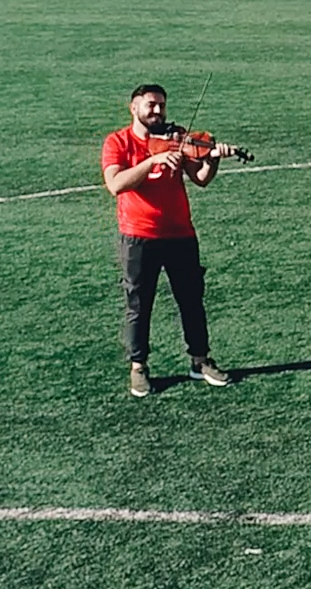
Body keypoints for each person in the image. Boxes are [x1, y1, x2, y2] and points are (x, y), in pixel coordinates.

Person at [101, 84, 238, 397]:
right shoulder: (117, 142)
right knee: (139, 304)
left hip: (180, 234)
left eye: (162, 105)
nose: (158, 111)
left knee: (191, 300)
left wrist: (213, 158)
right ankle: (139, 367)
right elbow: (116, 183)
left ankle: (200, 361)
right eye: (151, 105)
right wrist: (152, 162)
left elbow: (201, 179)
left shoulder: (176, 138)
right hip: (138, 236)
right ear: (133, 108)